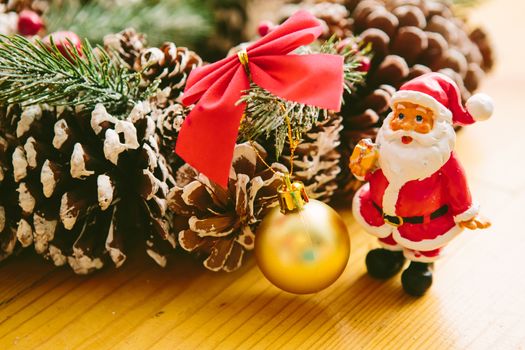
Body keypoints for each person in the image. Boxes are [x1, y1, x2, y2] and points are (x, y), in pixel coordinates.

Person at [350, 73, 494, 296]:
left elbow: (457, 184)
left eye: (419, 119)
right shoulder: (385, 146)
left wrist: (465, 212)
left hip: (425, 223)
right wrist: (362, 167)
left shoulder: (442, 158)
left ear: (438, 124)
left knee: (421, 257)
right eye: (401, 115)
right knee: (384, 251)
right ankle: (391, 255)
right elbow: (372, 173)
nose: (407, 126)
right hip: (384, 216)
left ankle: (420, 265)